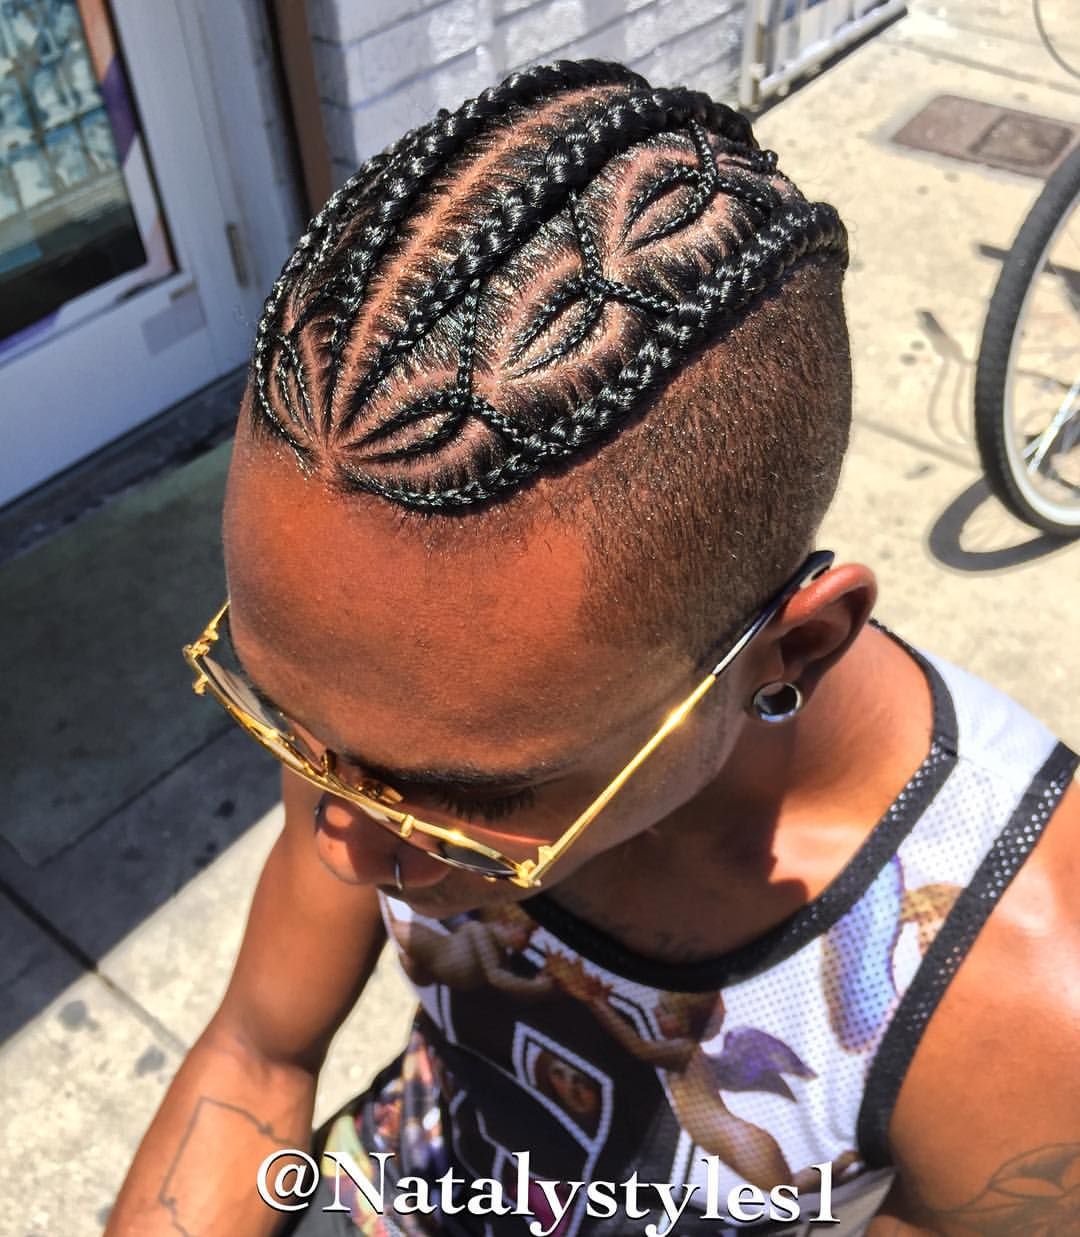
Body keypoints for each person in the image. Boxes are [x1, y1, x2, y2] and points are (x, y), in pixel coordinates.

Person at [106, 60, 1079, 1237]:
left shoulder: (1013, 1005)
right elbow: (255, 1058)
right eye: (286, 722)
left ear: (794, 650)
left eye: (466, 802)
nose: (343, 840)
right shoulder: (377, 715)